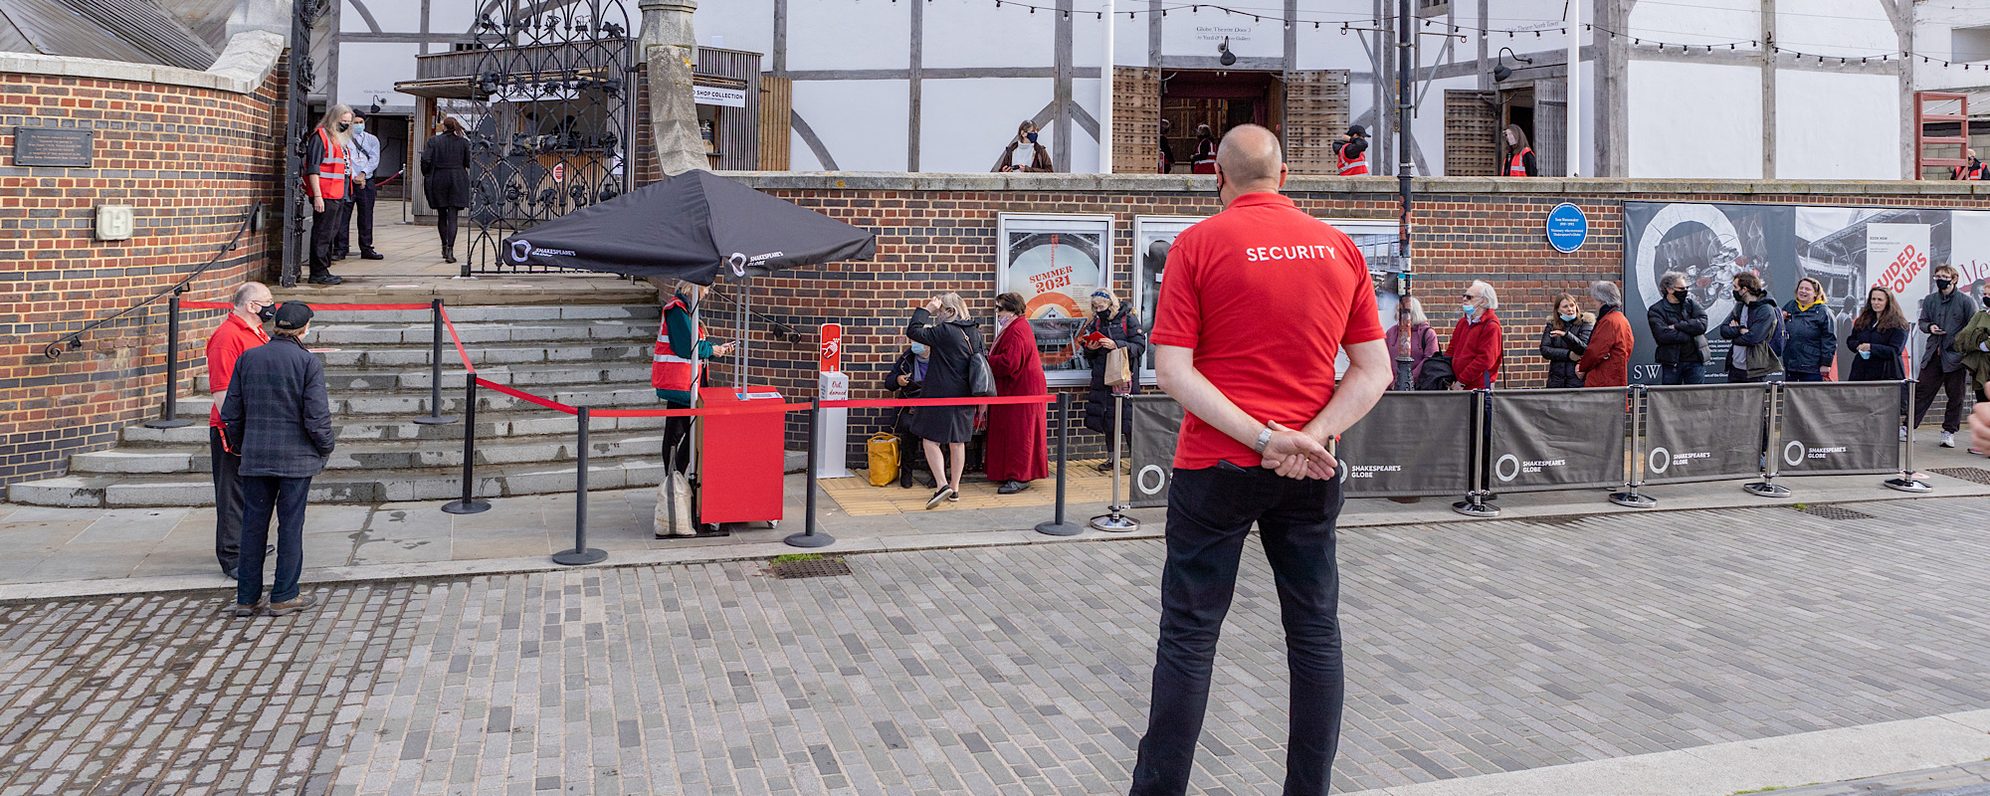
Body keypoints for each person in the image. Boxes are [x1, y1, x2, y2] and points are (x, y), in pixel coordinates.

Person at [1131, 123, 1391, 796]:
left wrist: (1261, 439)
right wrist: (1314, 434)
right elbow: (1375, 369)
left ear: (1217, 178)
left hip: (1215, 464)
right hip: (1312, 468)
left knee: (1189, 637)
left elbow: (1172, 371)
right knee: (1313, 632)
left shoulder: (1196, 245)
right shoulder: (1339, 247)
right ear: (1286, 177)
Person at [220, 302, 334, 618]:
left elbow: (231, 412)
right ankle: (284, 594)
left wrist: (244, 445)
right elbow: (316, 417)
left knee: (253, 527)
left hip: (257, 456)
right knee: (290, 526)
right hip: (296, 460)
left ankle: (247, 597)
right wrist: (326, 448)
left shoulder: (249, 358)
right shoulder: (307, 363)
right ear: (304, 328)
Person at [651, 280, 736, 536]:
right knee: (676, 435)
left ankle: (677, 481)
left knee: (689, 434)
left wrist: (712, 350)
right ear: (693, 288)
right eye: (706, 289)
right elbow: (686, 347)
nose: (708, 293)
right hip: (679, 386)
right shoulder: (677, 310)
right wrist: (715, 350)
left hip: (689, 385)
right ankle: (674, 482)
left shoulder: (687, 311)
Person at [204, 282, 273, 580]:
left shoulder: (255, 332)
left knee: (250, 491)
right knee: (232, 493)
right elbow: (221, 390)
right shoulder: (227, 337)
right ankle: (232, 554)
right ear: (251, 305)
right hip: (231, 428)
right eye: (267, 300)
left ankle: (249, 544)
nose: (272, 304)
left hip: (254, 423)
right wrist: (238, 430)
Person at [905, 293, 982, 509]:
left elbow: (913, 331)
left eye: (940, 311)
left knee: (930, 440)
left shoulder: (946, 331)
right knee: (957, 442)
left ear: (950, 311)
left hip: (940, 393)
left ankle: (942, 484)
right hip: (965, 394)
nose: (937, 316)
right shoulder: (973, 331)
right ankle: (955, 489)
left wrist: (926, 309)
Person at [983, 292, 1049, 494]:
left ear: (1011, 309)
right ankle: (1010, 472)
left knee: (1019, 434)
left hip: (1021, 391)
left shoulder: (1017, 329)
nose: (997, 313)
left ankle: (1019, 475)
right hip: (1017, 389)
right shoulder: (1015, 327)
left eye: (1000, 308)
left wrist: (986, 360)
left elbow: (1010, 363)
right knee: (1012, 433)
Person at [1912, 264, 1981, 448]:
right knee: (1922, 392)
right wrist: (1930, 327)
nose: (1940, 279)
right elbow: (1922, 321)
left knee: (1956, 396)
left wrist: (1959, 343)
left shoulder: (1965, 301)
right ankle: (1909, 427)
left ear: (1954, 278)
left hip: (1955, 357)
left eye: (1944, 276)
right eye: (1937, 276)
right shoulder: (1930, 300)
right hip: (1934, 353)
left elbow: (1972, 326)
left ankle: (1949, 432)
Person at [1080, 288, 1147, 472]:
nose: (1098, 309)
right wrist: (1091, 348)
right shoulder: (1097, 322)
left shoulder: (1128, 319)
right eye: (1095, 306)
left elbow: (1140, 346)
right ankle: (1112, 459)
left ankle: (1136, 461)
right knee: (1107, 419)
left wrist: (1116, 345)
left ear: (1111, 304)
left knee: (1128, 422)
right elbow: (1088, 354)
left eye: (1101, 306)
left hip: (1124, 378)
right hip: (1103, 377)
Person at [302, 105, 353, 284]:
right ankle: (317, 272)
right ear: (334, 119)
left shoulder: (338, 140)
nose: (346, 125)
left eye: (348, 122)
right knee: (322, 234)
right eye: (343, 121)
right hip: (325, 193)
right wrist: (317, 196)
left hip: (338, 193)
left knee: (330, 233)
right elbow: (313, 168)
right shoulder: (320, 137)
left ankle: (323, 269)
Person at [882, 339, 937, 489]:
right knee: (908, 431)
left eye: (920, 342)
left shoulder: (940, 358)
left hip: (933, 404)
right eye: (914, 341)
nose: (915, 345)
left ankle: (936, 475)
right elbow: (889, 382)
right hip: (911, 402)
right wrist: (898, 380)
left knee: (935, 435)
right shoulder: (907, 357)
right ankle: (906, 474)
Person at [335, 109, 385, 261]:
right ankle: (341, 248)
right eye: (355, 123)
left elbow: (374, 159)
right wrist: (353, 176)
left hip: (366, 181)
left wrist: (363, 174)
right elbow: (344, 159)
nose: (358, 125)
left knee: (366, 216)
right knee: (343, 216)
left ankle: (366, 247)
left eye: (360, 123)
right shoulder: (343, 139)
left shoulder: (372, 139)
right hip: (348, 180)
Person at [421, 116, 471, 264]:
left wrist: (428, 173)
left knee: (442, 215)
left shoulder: (433, 141)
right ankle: (450, 249)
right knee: (453, 216)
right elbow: (468, 162)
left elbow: (425, 160)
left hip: (439, 177)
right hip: (457, 178)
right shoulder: (463, 143)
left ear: (443, 126)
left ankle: (444, 246)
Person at [1646, 271, 1710, 385]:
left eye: (1687, 288)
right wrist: (1690, 333)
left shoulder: (1691, 304)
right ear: (1669, 289)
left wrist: (1677, 326)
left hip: (1696, 361)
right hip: (1672, 363)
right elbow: (1662, 335)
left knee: (1697, 398)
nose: (1685, 291)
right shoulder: (1656, 310)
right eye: (1681, 289)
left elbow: (1702, 325)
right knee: (1670, 398)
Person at [1718, 271, 1781, 383]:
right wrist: (1741, 330)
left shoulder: (1766, 310)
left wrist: (1734, 336)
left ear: (1745, 289)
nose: (1733, 290)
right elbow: (1723, 330)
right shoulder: (1740, 305)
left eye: (1735, 287)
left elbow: (1753, 338)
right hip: (1735, 366)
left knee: (1752, 400)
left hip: (1754, 370)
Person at [1953, 281, 1990, 454]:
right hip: (1980, 364)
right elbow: (1965, 335)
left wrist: (1985, 344)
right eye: (1985, 294)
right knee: (1982, 400)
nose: (1986, 297)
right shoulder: (1981, 314)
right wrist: (1977, 343)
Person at [1845, 286, 1911, 383]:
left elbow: (1895, 350)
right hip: (1861, 373)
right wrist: (1858, 346)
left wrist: (1871, 347)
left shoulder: (1899, 324)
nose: (1875, 303)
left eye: (1880, 300)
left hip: (1887, 374)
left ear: (1888, 302)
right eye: (1873, 299)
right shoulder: (1862, 320)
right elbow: (1851, 340)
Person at [1577, 281, 1634, 388]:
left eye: (1594, 299)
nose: (1593, 303)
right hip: (1616, 374)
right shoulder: (1621, 319)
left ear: (1601, 300)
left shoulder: (1608, 321)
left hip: (1603, 378)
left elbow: (1595, 351)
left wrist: (1582, 367)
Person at [1450, 280, 1504, 390]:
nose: (1464, 299)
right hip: (1458, 384)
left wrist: (1462, 381)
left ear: (1483, 301)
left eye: (1469, 297)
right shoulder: (1463, 322)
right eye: (1464, 296)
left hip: (1479, 388)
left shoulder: (1491, 326)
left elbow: (1485, 360)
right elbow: (1451, 350)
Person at [1780, 277, 1835, 382]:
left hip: (1812, 367)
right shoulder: (1790, 306)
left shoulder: (1824, 312)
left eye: (1807, 289)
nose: (1803, 291)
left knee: (1809, 397)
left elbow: (1829, 339)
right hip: (1791, 364)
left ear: (1815, 293)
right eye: (1801, 288)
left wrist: (1825, 364)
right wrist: (1780, 317)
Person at [1536, 293, 1593, 388]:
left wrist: (1566, 335)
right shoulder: (1552, 325)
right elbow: (1545, 350)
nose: (1570, 309)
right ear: (1558, 310)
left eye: (1572, 305)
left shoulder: (1585, 323)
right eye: (1565, 306)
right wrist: (1568, 355)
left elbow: (1583, 348)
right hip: (1556, 380)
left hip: (1576, 381)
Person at [1387, 296, 1439, 390]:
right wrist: (1392, 382)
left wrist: (1409, 379)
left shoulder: (1428, 333)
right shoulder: (1391, 332)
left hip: (1419, 387)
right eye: (1398, 310)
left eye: (1402, 311)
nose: (1398, 314)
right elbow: (1384, 358)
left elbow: (1429, 360)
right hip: (1392, 388)